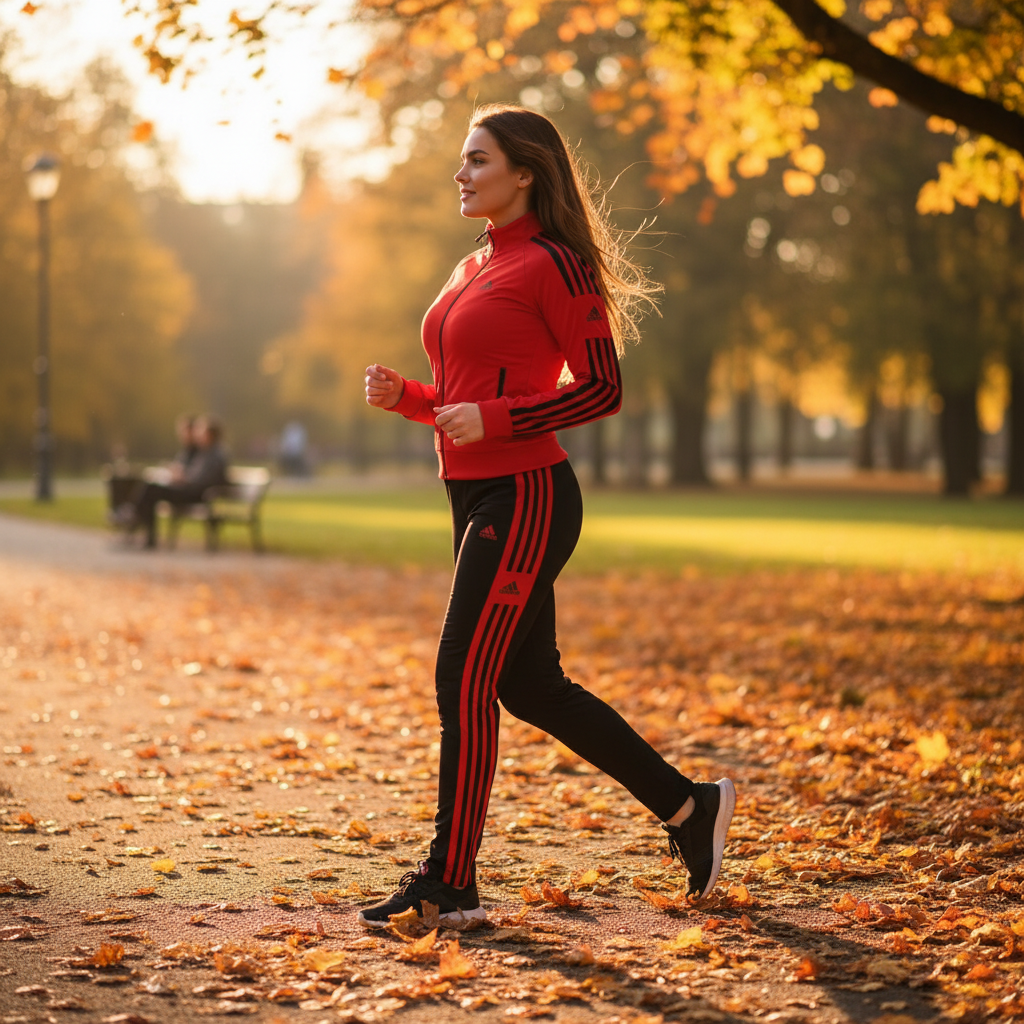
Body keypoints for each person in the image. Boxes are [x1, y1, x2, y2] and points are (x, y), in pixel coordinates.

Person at [361, 105, 735, 929]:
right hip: (473, 494)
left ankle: (450, 880)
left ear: (524, 172)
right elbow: (467, 396)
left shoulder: (554, 265)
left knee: (463, 674)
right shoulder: (473, 265)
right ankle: (690, 809)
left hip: (525, 494)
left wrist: (494, 423)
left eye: (477, 160)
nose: (461, 173)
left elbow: (600, 388)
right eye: (462, 161)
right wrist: (410, 399)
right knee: (529, 684)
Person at [129, 414, 230, 549]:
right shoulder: (207, 452)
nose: (198, 435)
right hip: (191, 491)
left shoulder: (215, 454)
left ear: (210, 434)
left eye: (201, 431)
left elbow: (203, 480)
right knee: (151, 487)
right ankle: (140, 524)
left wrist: (184, 477)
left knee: (152, 489)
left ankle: (136, 518)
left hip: (195, 494)